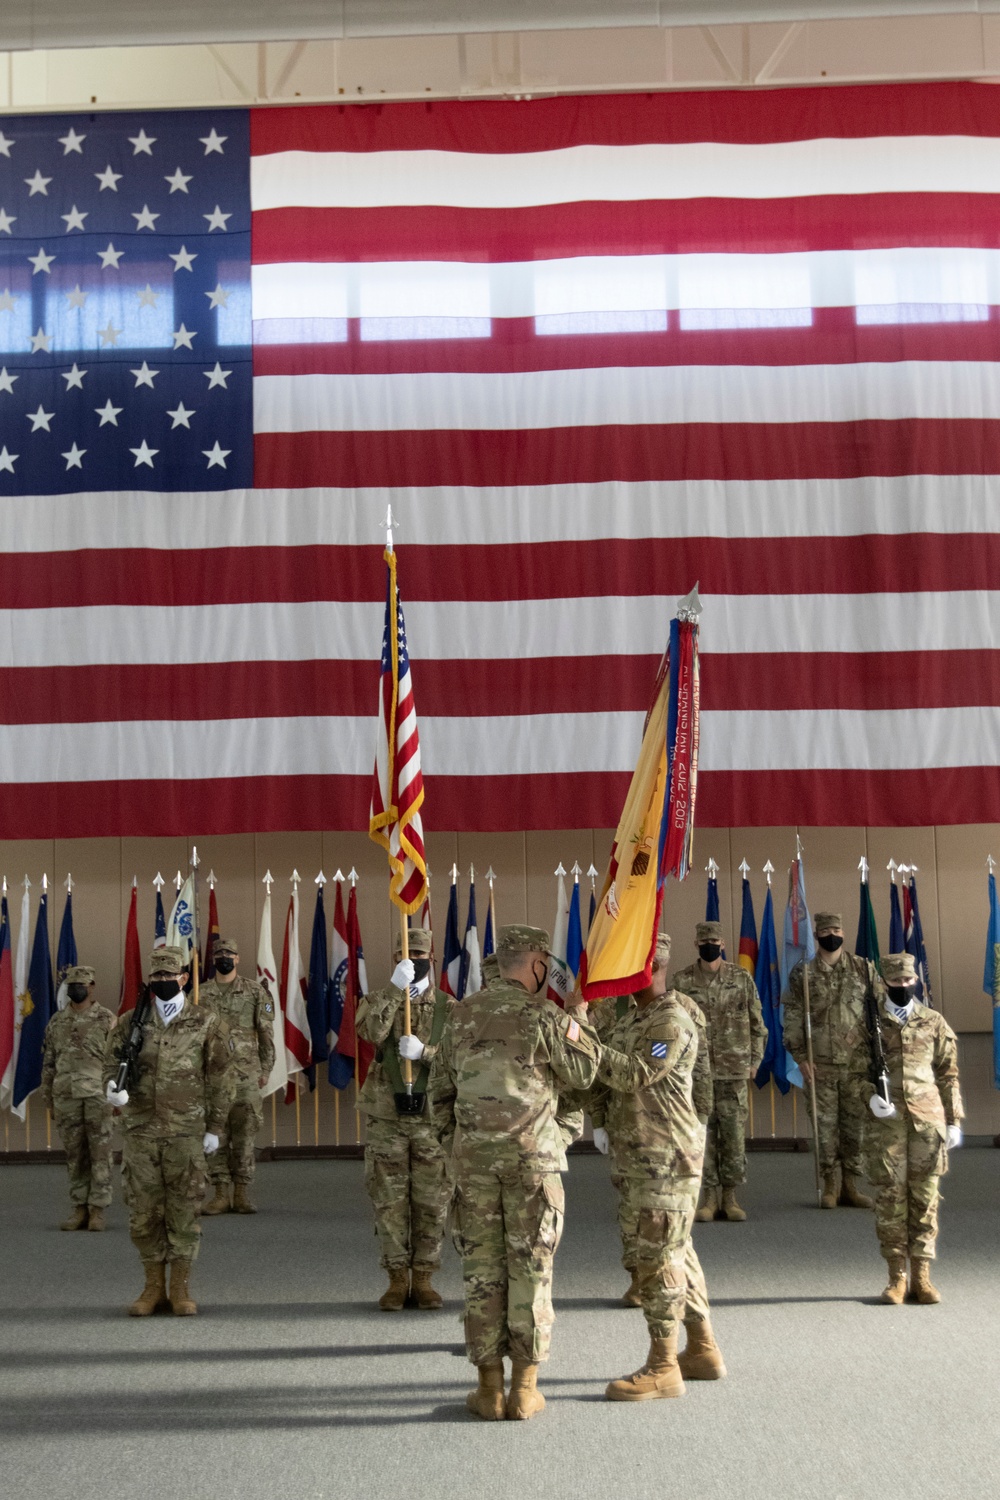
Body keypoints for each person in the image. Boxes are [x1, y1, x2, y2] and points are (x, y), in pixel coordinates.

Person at [430, 924, 599, 1421]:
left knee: (481, 1273)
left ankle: (488, 1390)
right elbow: (586, 1073)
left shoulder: (459, 1017)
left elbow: (438, 1099)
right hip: (532, 1167)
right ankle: (525, 1389)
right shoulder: (545, 1015)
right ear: (539, 965)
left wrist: (460, 1148)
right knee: (531, 1270)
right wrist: (580, 1018)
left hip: (475, 1167)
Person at [594, 937, 723, 1401]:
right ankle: (703, 1349)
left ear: (650, 967)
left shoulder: (669, 1019)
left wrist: (578, 1040)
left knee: (658, 1259)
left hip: (665, 1159)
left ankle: (663, 1366)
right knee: (678, 1251)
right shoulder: (637, 1018)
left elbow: (633, 1074)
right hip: (642, 1156)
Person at [103, 947, 233, 1317]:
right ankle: (151, 1287)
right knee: (143, 1213)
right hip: (141, 1132)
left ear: (184, 978)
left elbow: (222, 1078)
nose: (162, 982)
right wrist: (112, 1088)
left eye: (169, 976)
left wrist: (216, 1127)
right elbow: (110, 1065)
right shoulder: (130, 1022)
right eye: (156, 977)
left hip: (186, 1133)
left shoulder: (206, 1022)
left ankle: (180, 1288)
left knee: (183, 1212)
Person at [356, 927, 453, 1311]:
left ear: (433, 958)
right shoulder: (379, 999)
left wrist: (425, 1052)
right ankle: (397, 1279)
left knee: (432, 1201)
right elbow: (370, 1032)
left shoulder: (452, 1008)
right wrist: (396, 992)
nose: (412, 960)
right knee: (389, 1201)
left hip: (433, 1118)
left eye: (419, 954)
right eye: (404, 954)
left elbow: (460, 1062)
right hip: (387, 1117)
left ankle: (425, 1278)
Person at [864, 953, 963, 1306]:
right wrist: (870, 1098)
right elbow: (855, 1072)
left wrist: (953, 1120)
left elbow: (948, 1073)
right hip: (887, 1126)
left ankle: (922, 1276)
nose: (902, 987)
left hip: (927, 1122)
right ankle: (896, 1278)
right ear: (885, 982)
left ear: (915, 981)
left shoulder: (933, 1021)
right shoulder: (870, 1021)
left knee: (925, 1200)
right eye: (895, 982)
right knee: (891, 1200)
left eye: (908, 982)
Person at [670, 920, 766, 1221]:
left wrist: (755, 1061)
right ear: (697, 945)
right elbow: (674, 1027)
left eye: (715, 941)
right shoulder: (682, 981)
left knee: (734, 1136)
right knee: (703, 1135)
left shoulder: (741, 979)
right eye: (705, 942)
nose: (710, 946)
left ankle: (730, 1196)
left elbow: (757, 1024)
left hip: (734, 1071)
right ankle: (709, 1197)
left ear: (723, 944)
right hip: (697, 1074)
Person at [784, 912, 877, 1210]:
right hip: (819, 1063)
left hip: (857, 1065)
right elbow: (793, 1017)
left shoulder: (864, 969)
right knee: (824, 1129)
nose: (831, 934)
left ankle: (851, 1184)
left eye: (836, 929)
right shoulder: (803, 974)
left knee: (854, 1128)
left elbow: (878, 1013)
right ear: (817, 935)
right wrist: (799, 1057)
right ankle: (830, 1185)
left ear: (843, 932)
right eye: (825, 930)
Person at [199, 937, 276, 1216]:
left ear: (238, 958)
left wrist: (266, 1070)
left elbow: (267, 1034)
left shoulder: (255, 991)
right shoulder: (200, 993)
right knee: (214, 1134)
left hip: (246, 1076)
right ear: (213, 959)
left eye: (229, 953)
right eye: (219, 953)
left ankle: (242, 1192)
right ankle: (220, 1193)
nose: (224, 957)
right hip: (212, 1077)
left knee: (244, 1136)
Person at [40, 966, 115, 1232]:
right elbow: (49, 1062)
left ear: (92, 986)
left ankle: (97, 1210)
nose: (76, 989)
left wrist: (116, 1097)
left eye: (81, 984)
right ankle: (79, 1208)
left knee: (100, 1153)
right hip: (66, 1096)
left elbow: (117, 1062)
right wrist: (48, 1098)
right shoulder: (57, 1021)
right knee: (75, 1155)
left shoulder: (107, 1019)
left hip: (97, 1096)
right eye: (72, 985)